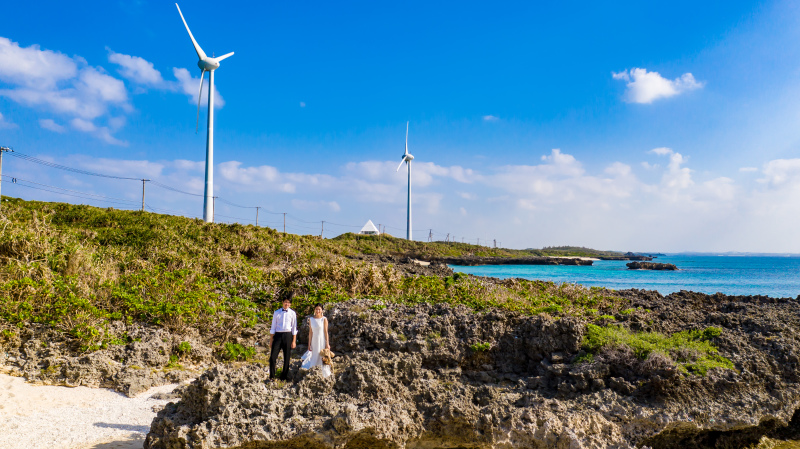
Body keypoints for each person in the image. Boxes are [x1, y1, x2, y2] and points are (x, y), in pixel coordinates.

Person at [269, 298, 297, 381]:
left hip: (288, 335)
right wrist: (271, 340)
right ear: (282, 302)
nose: (286, 304)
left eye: (288, 302)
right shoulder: (276, 312)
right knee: (273, 357)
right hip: (278, 335)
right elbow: (273, 326)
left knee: (287, 357)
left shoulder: (292, 313)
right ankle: (272, 376)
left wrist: (294, 340)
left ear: (290, 304)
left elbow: (294, 328)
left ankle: (284, 376)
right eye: (285, 302)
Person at [301, 303, 332, 377]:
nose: (317, 311)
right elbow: (310, 332)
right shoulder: (311, 319)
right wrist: (309, 344)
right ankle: (314, 369)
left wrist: (327, 343)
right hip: (314, 340)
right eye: (316, 309)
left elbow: (326, 332)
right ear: (314, 310)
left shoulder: (324, 319)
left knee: (321, 355)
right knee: (315, 355)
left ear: (321, 310)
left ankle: (323, 372)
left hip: (321, 340)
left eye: (319, 309)